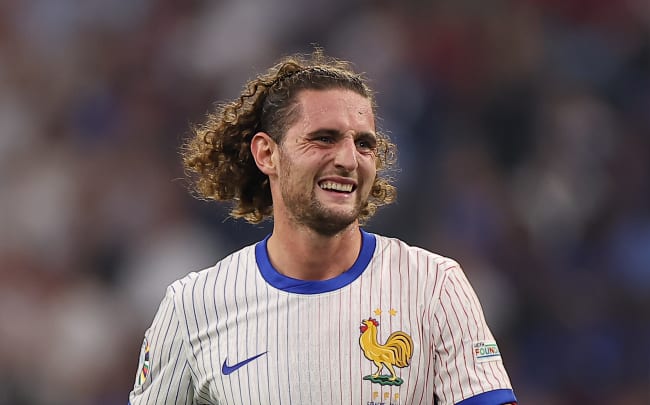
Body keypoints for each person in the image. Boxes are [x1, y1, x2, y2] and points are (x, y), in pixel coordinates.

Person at [129, 49, 518, 405]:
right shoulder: (193, 306)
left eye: (364, 144)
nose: (349, 159)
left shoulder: (434, 285)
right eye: (324, 139)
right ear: (267, 153)